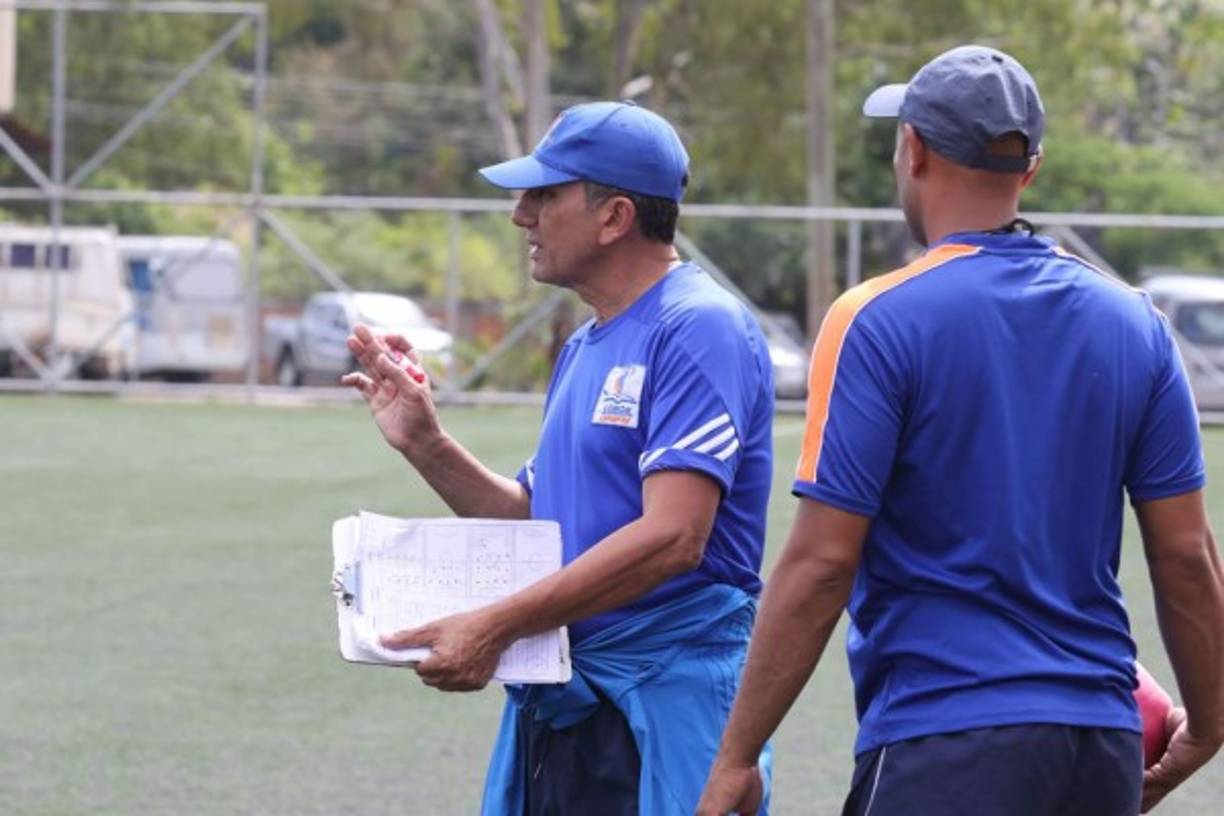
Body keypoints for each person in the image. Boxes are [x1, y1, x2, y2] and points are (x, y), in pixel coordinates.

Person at [697, 44, 1224, 816]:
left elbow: (819, 564)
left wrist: (737, 757)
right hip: (1098, 748)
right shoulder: (1134, 324)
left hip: (942, 742)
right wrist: (1208, 725)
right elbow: (1185, 555)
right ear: (1030, 169)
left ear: (911, 150)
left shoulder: (875, 318)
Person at [342, 101, 776, 815]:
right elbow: (540, 520)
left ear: (615, 218)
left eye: (544, 194)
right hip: (573, 704)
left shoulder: (698, 326)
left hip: (663, 714)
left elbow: (674, 537)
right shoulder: (587, 345)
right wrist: (427, 443)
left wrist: (496, 625)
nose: (521, 215)